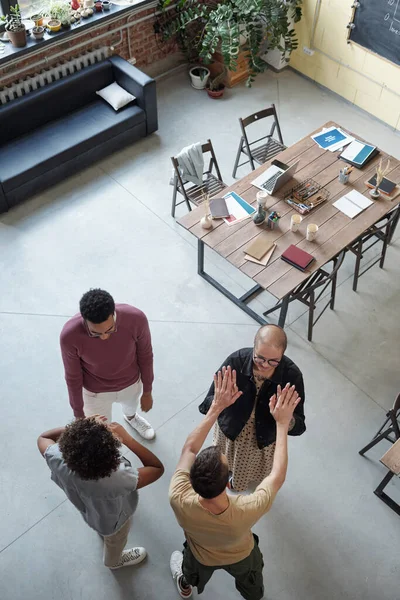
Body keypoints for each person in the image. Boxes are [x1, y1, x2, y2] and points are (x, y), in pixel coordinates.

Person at [169, 367, 300, 600]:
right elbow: (276, 475)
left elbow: (189, 448)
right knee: (251, 582)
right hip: (240, 556)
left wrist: (216, 406)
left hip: (200, 555)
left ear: (191, 478)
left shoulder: (178, 496)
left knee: (190, 572)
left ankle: (186, 586)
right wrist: (282, 424)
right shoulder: (246, 509)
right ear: (227, 481)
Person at [38, 416, 164, 569]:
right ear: (112, 453)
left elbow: (43, 437)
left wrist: (82, 429)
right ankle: (114, 561)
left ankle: (102, 533)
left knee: (98, 522)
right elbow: (157, 468)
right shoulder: (118, 478)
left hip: (88, 509)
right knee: (115, 541)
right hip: (114, 521)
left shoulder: (57, 457)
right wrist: (128, 439)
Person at [199, 324, 306, 492]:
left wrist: (287, 420)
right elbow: (208, 401)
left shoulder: (292, 376)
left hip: (261, 440)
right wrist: (219, 403)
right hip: (230, 431)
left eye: (273, 361)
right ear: (253, 347)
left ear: (283, 354)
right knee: (223, 461)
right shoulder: (236, 361)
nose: (265, 365)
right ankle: (228, 475)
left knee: (247, 468)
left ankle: (237, 483)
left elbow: (299, 425)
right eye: (259, 358)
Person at [60, 288, 155, 439]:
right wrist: (79, 415)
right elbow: (73, 377)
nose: (104, 337)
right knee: (100, 432)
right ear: (84, 320)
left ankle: (131, 418)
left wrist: (148, 391)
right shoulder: (69, 336)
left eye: (110, 330)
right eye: (96, 333)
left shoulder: (136, 319)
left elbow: (145, 355)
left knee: (131, 407)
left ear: (113, 313)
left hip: (130, 382)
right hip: (95, 393)